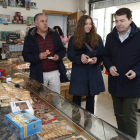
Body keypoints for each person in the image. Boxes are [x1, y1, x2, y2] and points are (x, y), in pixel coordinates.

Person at [102, 8, 140, 139]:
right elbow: (105, 55)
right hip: (116, 83)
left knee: (130, 117)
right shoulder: (110, 36)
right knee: (119, 115)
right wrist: (109, 65)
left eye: (122, 20)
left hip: (132, 84)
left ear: (130, 20)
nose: (118, 24)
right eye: (116, 21)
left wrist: (136, 71)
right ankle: (122, 138)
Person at [67, 15, 105, 115]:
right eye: (86, 24)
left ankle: (88, 126)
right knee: (76, 101)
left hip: (93, 73)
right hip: (79, 74)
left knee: (90, 100)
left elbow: (102, 54)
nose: (88, 26)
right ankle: (76, 123)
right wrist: (80, 57)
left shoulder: (97, 38)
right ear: (81, 25)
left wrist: (97, 59)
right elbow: (70, 55)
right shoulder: (73, 39)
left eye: (90, 24)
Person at [22, 13, 68, 94]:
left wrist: (58, 56)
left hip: (55, 72)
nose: (45, 23)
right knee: (40, 98)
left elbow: (62, 50)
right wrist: (38, 56)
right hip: (38, 73)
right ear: (36, 23)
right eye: (42, 21)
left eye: (46, 21)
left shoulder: (54, 34)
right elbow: (26, 56)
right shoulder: (30, 38)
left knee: (56, 98)